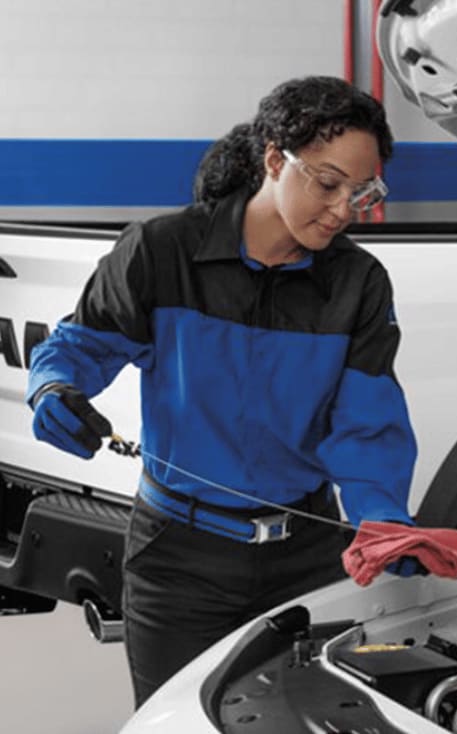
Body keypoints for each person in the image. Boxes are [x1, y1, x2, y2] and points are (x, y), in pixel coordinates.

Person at [25, 76, 417, 708]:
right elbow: (78, 347)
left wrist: (383, 521)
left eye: (362, 191)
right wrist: (52, 389)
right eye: (328, 183)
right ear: (274, 159)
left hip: (307, 560)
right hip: (178, 565)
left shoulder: (358, 283)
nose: (345, 209)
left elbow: (366, 422)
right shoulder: (161, 252)